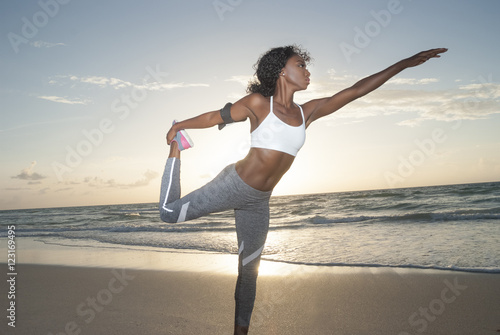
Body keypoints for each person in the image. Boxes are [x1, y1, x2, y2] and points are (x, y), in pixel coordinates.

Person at [159, 45, 447, 334]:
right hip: (233, 184)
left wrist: (403, 64)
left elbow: (355, 91)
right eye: (301, 65)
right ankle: (176, 148)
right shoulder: (259, 103)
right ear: (283, 71)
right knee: (169, 213)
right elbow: (214, 117)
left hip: (259, 201)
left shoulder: (306, 112)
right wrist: (179, 127)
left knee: (249, 272)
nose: (307, 71)